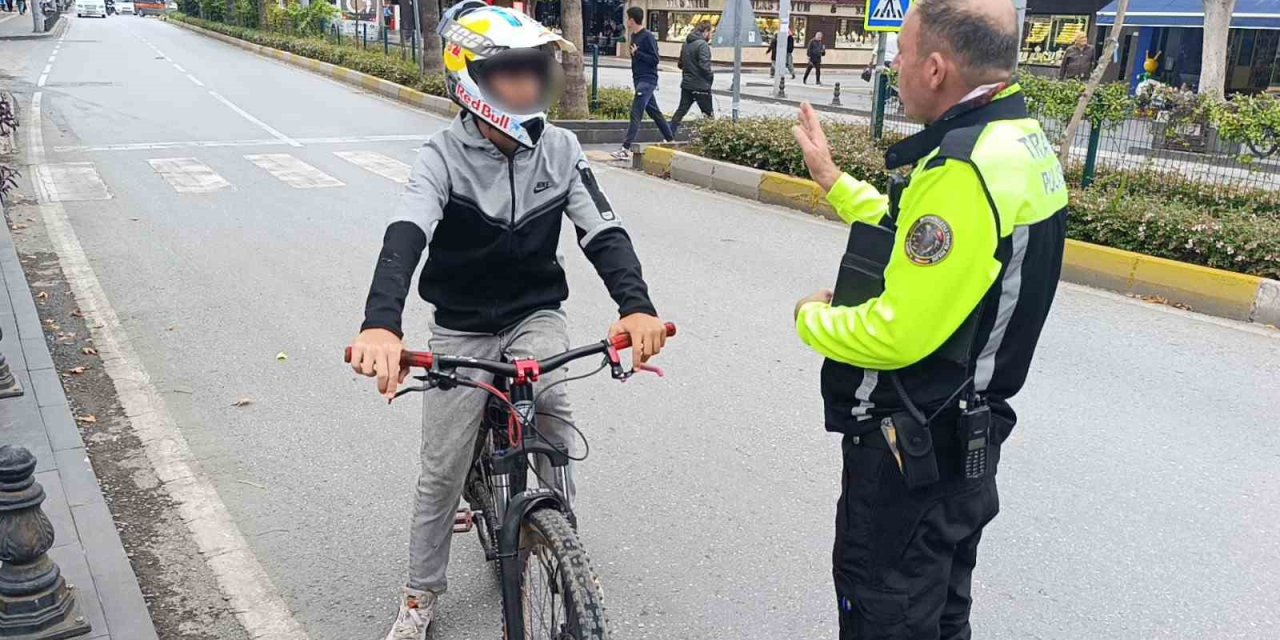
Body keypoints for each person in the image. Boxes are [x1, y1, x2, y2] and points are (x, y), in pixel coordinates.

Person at [349, 3, 669, 638]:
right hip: (462, 327)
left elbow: (602, 231)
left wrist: (637, 307)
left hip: (533, 314)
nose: (527, 85)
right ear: (470, 78)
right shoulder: (440, 156)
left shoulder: (561, 148)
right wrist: (381, 323)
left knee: (553, 407)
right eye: (510, 73)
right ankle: (420, 596)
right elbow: (406, 236)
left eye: (535, 70)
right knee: (441, 468)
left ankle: (561, 548)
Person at [790, 0, 1067, 637]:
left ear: (937, 68)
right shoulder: (1016, 139)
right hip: (966, 439)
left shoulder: (965, 168)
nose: (895, 64)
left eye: (903, 53)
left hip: (914, 447)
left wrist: (810, 319)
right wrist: (832, 179)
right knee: (940, 613)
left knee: (886, 612)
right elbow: (918, 239)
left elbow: (897, 331)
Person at [612, 6, 674, 161]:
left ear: (632, 20)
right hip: (638, 79)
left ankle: (625, 148)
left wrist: (637, 54)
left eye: (628, 19)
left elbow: (655, 59)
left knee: (636, 112)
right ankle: (670, 139)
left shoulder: (648, 37)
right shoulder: (634, 36)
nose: (627, 22)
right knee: (654, 112)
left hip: (647, 80)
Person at [671, 20, 714, 133]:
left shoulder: (686, 43)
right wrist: (710, 77)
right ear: (705, 32)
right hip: (701, 86)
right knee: (708, 115)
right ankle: (710, 138)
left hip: (687, 85)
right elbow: (705, 66)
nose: (711, 35)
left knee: (681, 110)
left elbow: (680, 64)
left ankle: (668, 134)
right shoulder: (703, 45)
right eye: (711, 32)